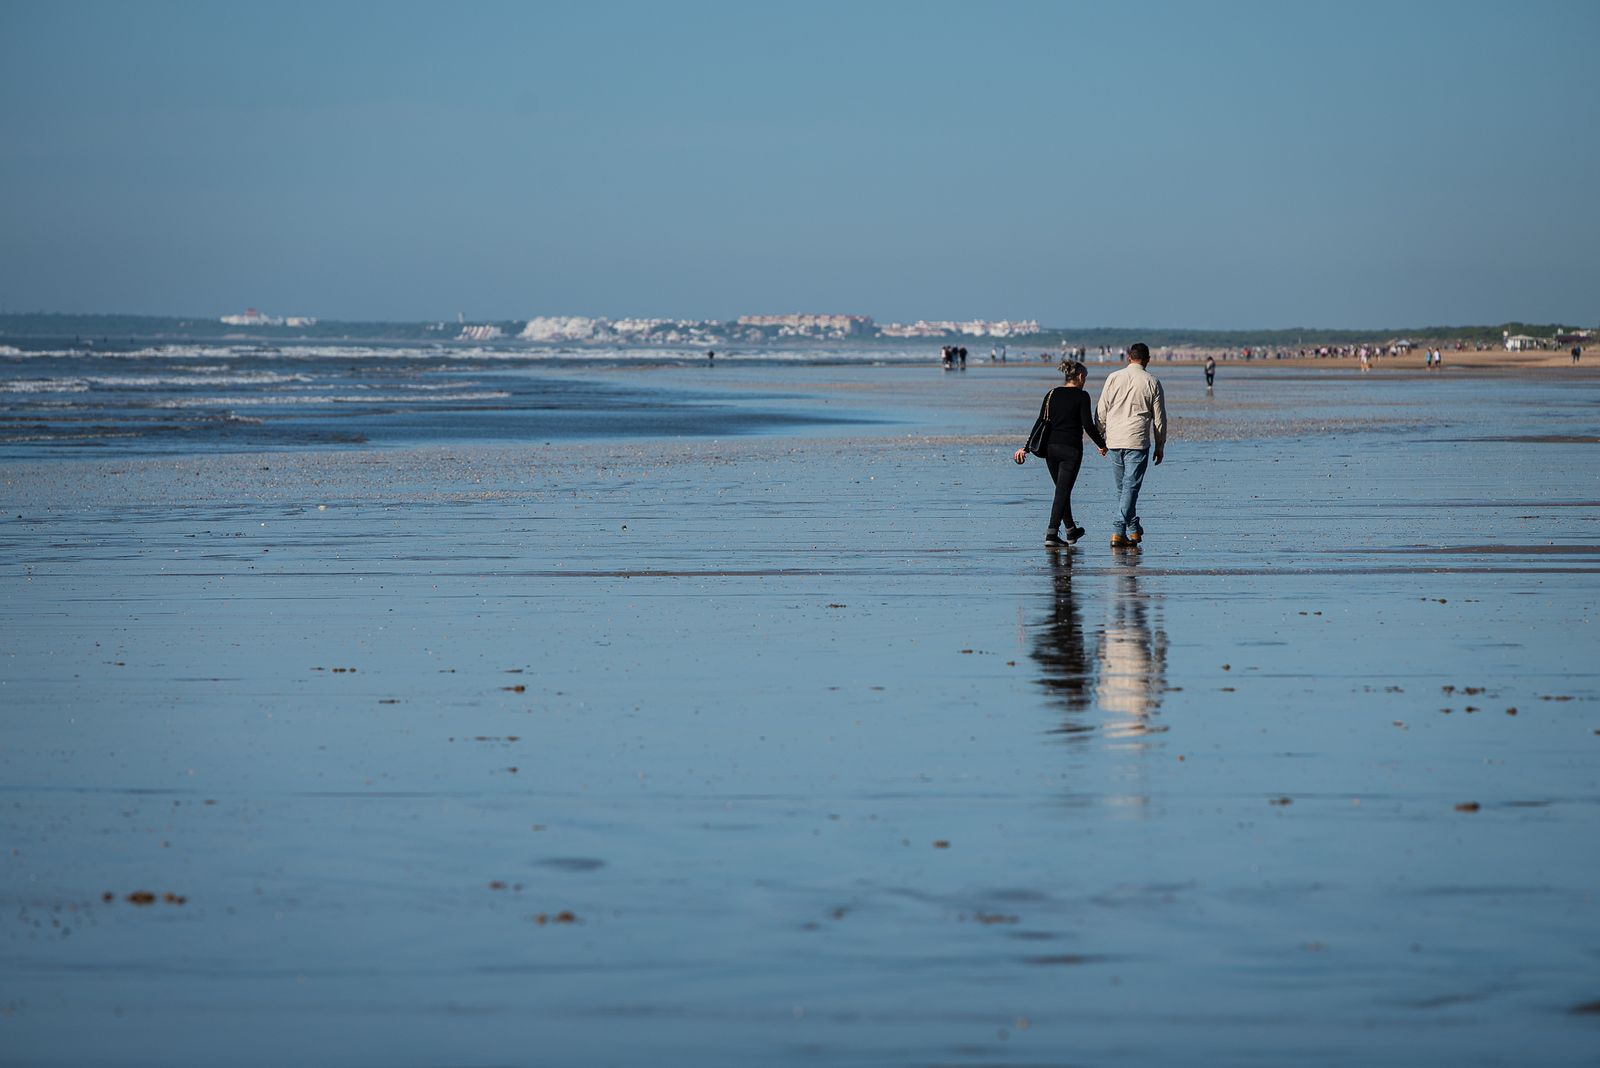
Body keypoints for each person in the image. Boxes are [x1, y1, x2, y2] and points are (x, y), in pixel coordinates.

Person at [1014, 360, 1107, 547]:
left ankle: (1071, 529)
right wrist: (1102, 444)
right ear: (1080, 377)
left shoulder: (1051, 394)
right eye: (1085, 378)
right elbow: (1087, 425)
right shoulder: (1082, 396)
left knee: (1062, 491)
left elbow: (1040, 421)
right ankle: (1051, 533)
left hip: (1050, 449)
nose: (1085, 381)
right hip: (1070, 450)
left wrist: (1025, 447)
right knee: (1062, 492)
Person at [1095, 342, 1167, 548]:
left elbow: (1101, 410)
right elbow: (1159, 418)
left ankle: (1133, 530)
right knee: (1129, 488)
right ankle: (1118, 530)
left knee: (1125, 489)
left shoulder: (1113, 377)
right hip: (1136, 440)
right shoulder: (1152, 381)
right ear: (1148, 360)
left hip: (1115, 439)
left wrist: (1100, 438)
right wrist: (1160, 445)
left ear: (1128, 357)